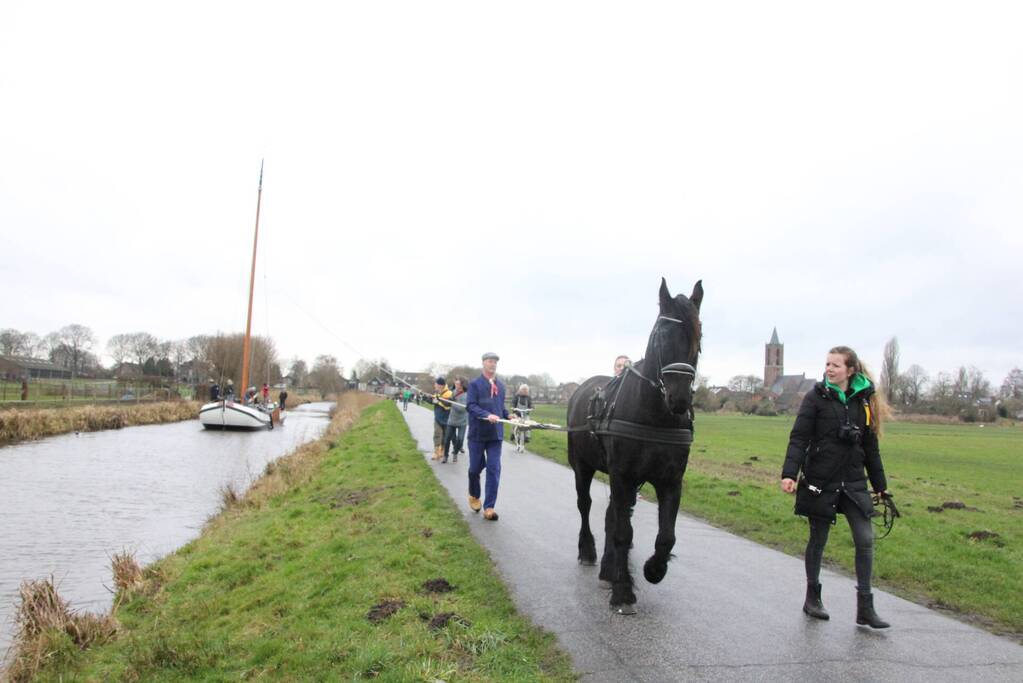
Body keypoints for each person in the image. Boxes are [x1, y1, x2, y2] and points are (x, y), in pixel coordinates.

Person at [781, 345, 891, 629]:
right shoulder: (815, 398)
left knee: (865, 539)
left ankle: (865, 607)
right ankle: (812, 598)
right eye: (827, 364)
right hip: (822, 479)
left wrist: (880, 485)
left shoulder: (864, 402)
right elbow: (799, 437)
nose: (829, 369)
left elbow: (871, 446)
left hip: (853, 481)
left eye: (836, 365)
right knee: (818, 539)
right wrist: (790, 473)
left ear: (850, 370)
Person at [466, 352, 512, 521]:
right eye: (490, 361)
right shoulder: (475, 385)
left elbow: (500, 407)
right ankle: (474, 494)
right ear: (483, 363)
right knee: (474, 469)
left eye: (495, 362)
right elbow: (470, 406)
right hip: (477, 434)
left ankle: (489, 507)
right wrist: (487, 414)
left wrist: (508, 416)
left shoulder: (500, 385)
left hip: (495, 435)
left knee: (494, 469)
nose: (493, 364)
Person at [442, 377, 469, 463]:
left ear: (462, 385)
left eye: (457, 384)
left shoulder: (467, 395)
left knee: (460, 440)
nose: (455, 385)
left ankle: (455, 453)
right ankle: (445, 456)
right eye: (455, 384)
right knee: (447, 439)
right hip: (452, 420)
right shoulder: (453, 392)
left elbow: (462, 409)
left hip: (462, 421)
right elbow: (448, 403)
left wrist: (452, 403)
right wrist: (441, 399)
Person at [430, 377, 452, 461]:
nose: (434, 385)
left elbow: (448, 405)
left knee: (445, 436)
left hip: (447, 419)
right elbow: (433, 401)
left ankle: (442, 450)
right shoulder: (437, 393)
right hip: (437, 418)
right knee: (437, 434)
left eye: (435, 384)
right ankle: (436, 452)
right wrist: (425, 397)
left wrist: (438, 401)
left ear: (440, 385)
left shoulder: (449, 393)